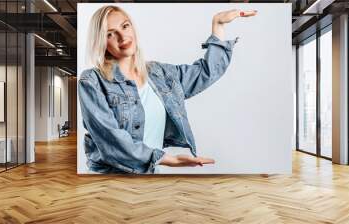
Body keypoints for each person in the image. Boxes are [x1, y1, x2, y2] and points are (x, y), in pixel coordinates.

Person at [78, 5, 257, 174]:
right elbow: (111, 140)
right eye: (110, 34)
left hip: (150, 174)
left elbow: (204, 73)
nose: (122, 37)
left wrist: (218, 26)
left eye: (125, 26)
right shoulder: (92, 81)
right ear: (101, 41)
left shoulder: (160, 74)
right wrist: (167, 159)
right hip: (110, 179)